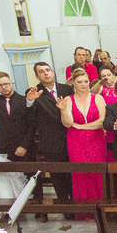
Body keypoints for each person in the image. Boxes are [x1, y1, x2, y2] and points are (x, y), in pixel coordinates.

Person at [26, 61, 74, 207]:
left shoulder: (66, 89)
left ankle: (78, 204)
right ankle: (65, 207)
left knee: (74, 173)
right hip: (51, 141)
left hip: (71, 137)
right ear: (37, 76)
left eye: (48, 70)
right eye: (41, 71)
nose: (46, 73)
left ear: (53, 72)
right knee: (57, 175)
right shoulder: (34, 92)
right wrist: (29, 101)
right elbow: (28, 116)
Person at [59, 68, 106, 202]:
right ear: (74, 83)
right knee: (80, 173)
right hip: (75, 141)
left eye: (86, 81)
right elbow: (68, 123)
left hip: (96, 139)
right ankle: (84, 207)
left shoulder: (98, 98)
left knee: (97, 172)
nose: (84, 84)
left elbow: (101, 121)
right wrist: (63, 111)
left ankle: (101, 204)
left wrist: (80, 126)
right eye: (80, 82)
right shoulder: (68, 99)